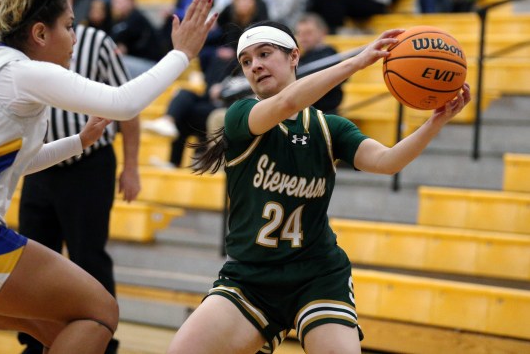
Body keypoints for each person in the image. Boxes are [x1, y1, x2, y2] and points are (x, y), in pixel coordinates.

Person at [0, 0, 216, 353]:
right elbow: (122, 102)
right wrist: (182, 54)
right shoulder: (23, 72)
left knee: (55, 332)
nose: (74, 37)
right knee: (101, 312)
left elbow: (15, 164)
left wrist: (78, 141)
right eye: (69, 26)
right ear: (39, 33)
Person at [167, 20, 471, 353]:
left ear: (294, 57)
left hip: (318, 276)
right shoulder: (240, 114)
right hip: (250, 276)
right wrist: (355, 62)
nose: (255, 65)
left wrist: (435, 121)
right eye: (246, 61)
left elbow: (388, 162)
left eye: (265, 54)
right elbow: (286, 105)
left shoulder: (330, 129)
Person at [15, 0, 140, 354]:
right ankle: (38, 341)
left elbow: (128, 107)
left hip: (89, 165)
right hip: (40, 166)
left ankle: (102, 341)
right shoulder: (23, 48)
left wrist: (131, 167)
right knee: (34, 258)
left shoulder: (96, 42)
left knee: (88, 257)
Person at [294, 13, 342, 114]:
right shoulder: (301, 57)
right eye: (299, 33)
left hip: (325, 114)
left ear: (323, 33)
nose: (303, 37)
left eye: (308, 33)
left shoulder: (330, 55)